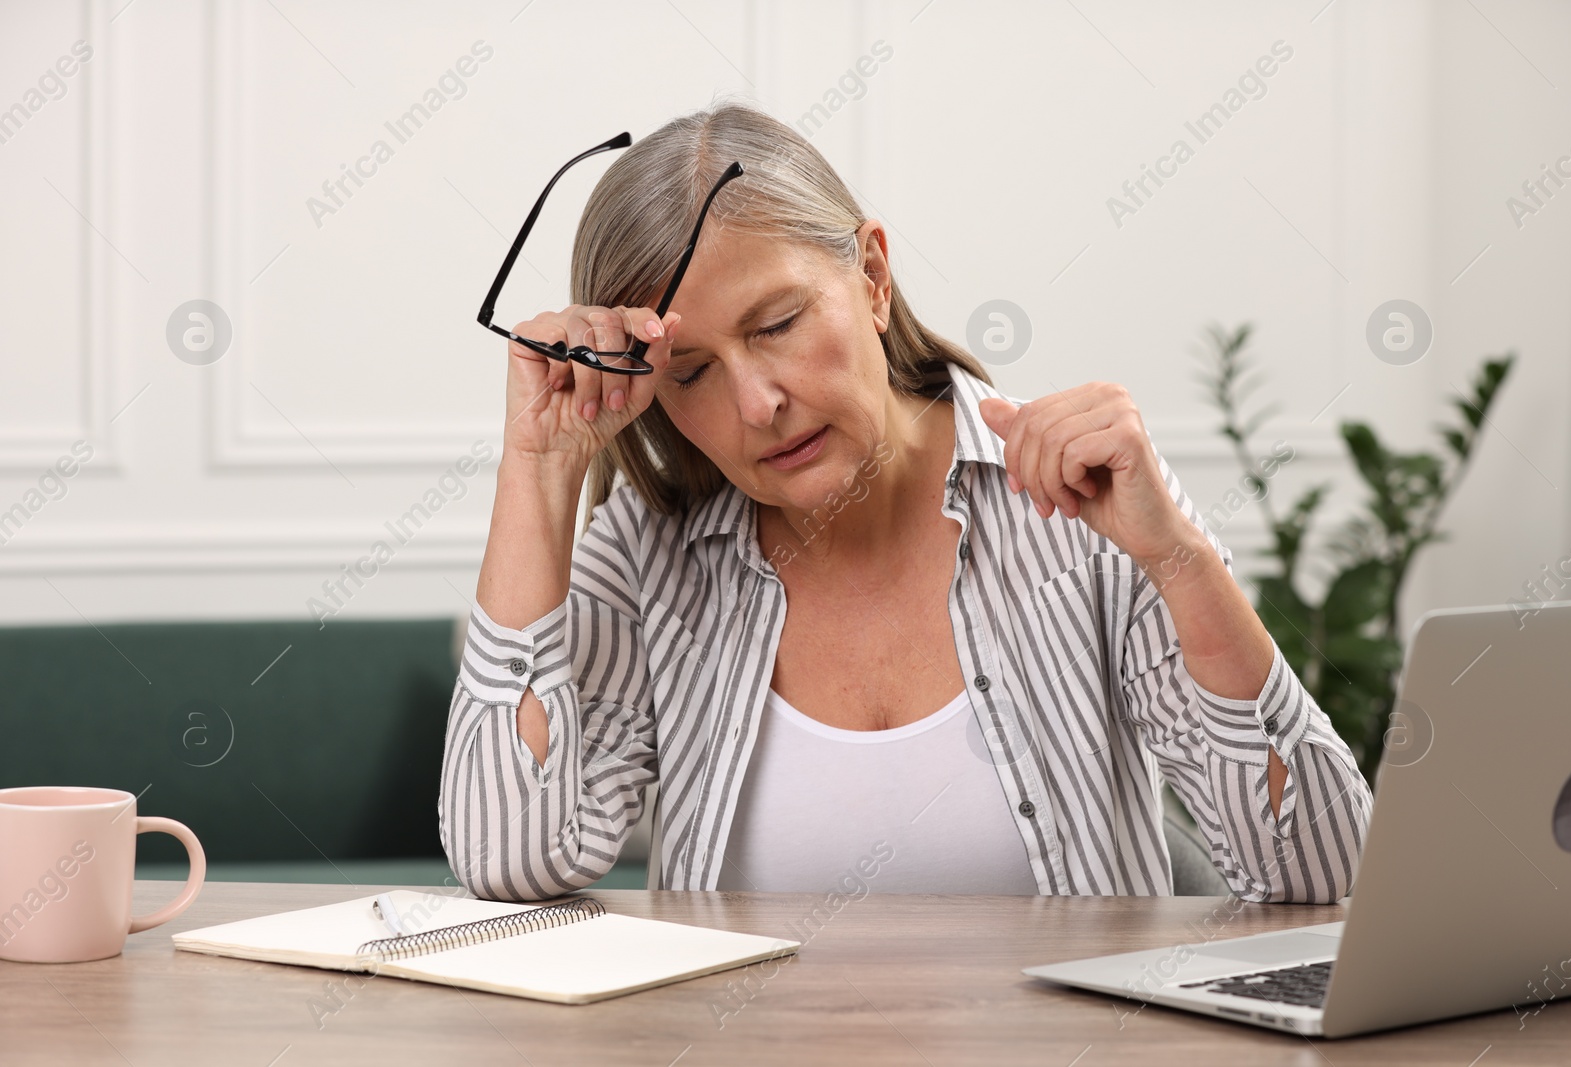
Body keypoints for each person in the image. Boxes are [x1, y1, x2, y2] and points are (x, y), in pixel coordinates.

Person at [438, 100, 1371, 902]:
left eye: (779, 324)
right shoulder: (649, 553)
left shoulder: (1078, 512)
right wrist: (539, 469)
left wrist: (1177, 558)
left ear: (873, 276)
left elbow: (1322, 870)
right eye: (691, 374)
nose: (759, 404)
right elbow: (507, 858)